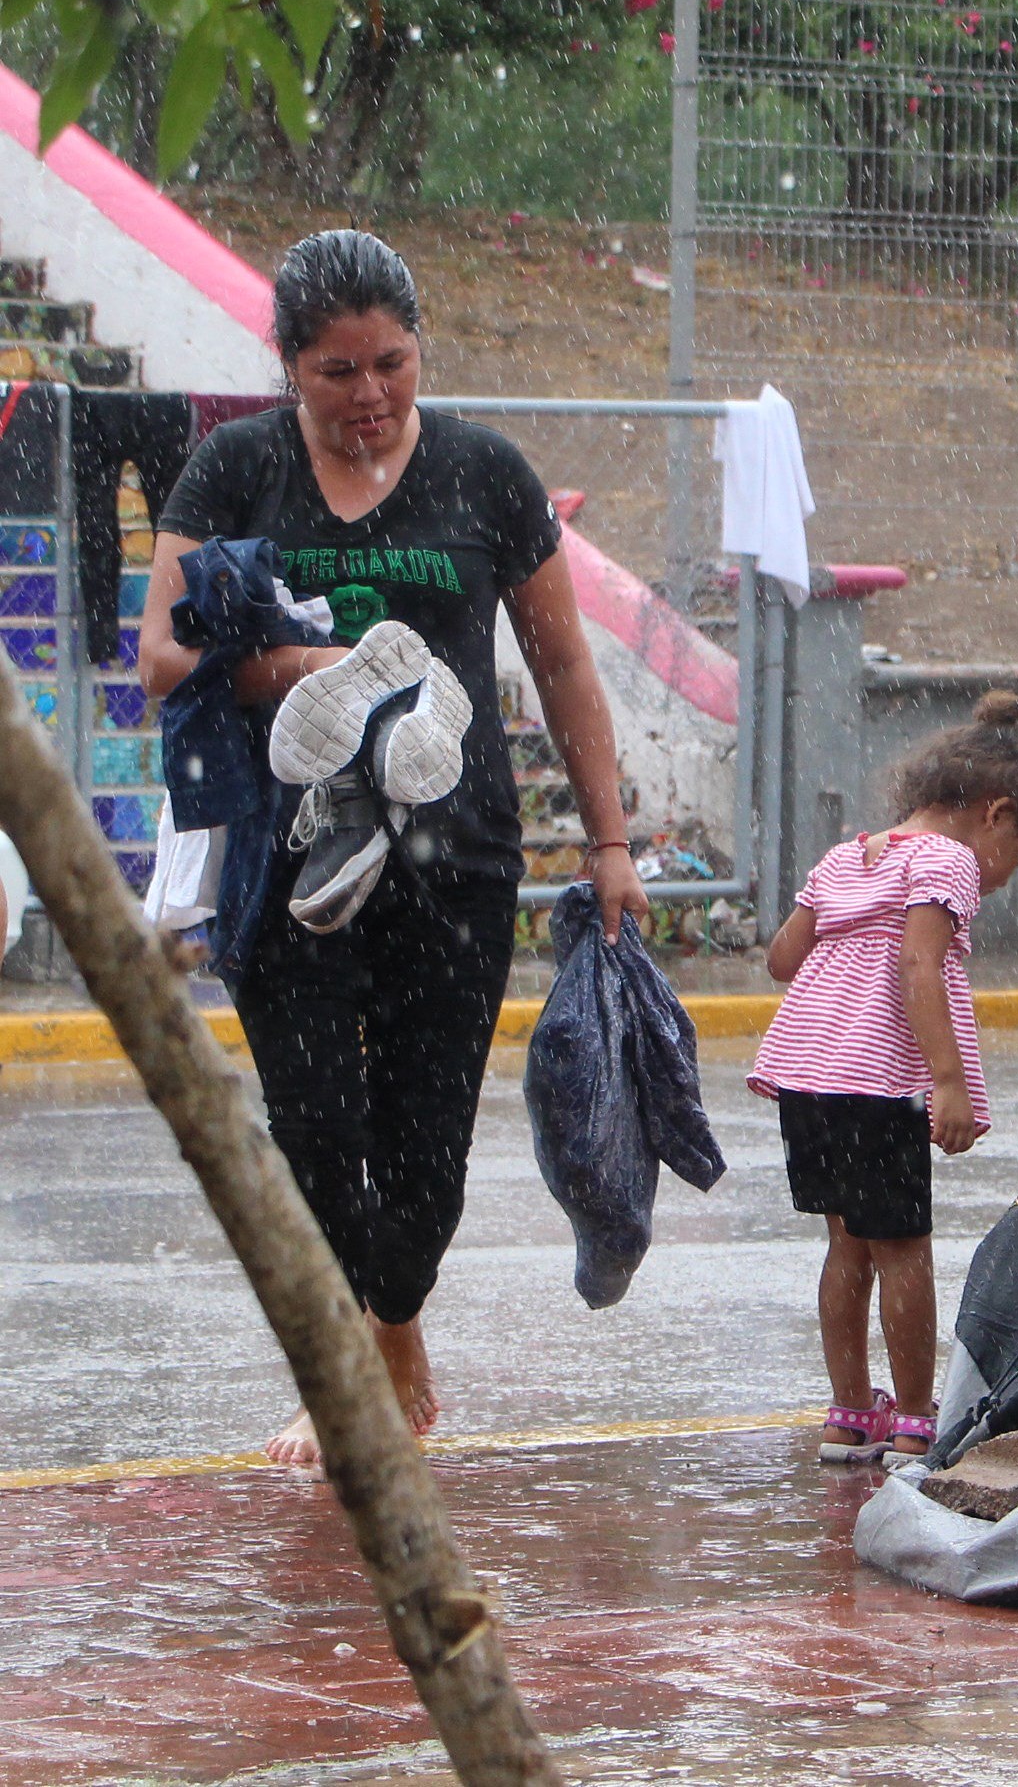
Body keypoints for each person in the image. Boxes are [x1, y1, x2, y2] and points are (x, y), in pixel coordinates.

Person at [138, 230, 648, 1469]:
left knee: (425, 1162)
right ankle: (343, 1373)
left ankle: (395, 1316)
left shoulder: (484, 473)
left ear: (419, 350)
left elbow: (563, 661)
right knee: (315, 1133)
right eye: (335, 372)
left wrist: (612, 838)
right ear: (290, 369)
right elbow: (160, 655)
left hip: (455, 856)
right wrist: (318, 668)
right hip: (287, 861)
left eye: (391, 364)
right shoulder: (236, 469)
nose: (369, 395)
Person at [749, 690, 1018, 1467]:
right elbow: (917, 963)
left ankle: (847, 1414)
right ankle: (911, 1419)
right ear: (996, 813)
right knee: (903, 1250)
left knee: (845, 1246)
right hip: (873, 1082)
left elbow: (781, 961)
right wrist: (949, 1080)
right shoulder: (950, 860)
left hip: (807, 1077)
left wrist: (842, 926)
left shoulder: (846, 854)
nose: (1006, 877)